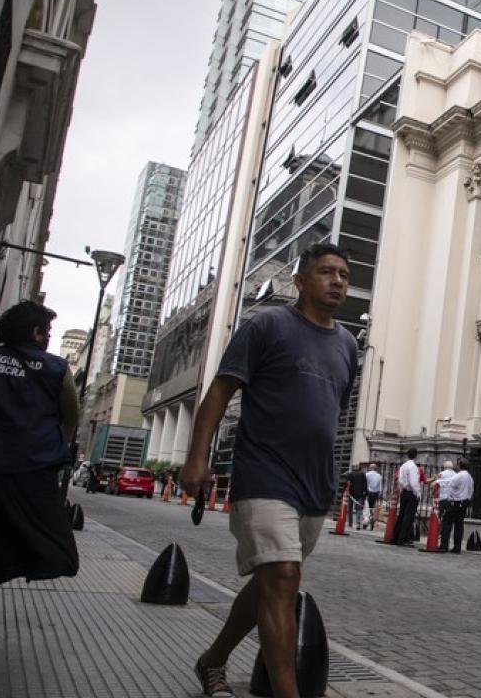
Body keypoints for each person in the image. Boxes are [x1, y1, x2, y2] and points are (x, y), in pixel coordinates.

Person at [180, 243, 359, 698]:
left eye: (343, 274)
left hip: (314, 483)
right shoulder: (267, 325)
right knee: (282, 576)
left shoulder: (347, 344)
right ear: (300, 281)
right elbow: (219, 393)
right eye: (326, 272)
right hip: (264, 472)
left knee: (272, 581)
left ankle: (213, 659)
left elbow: (331, 413)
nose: (337, 280)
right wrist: (197, 459)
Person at [0, 301, 79, 625]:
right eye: (47, 330)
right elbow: (71, 416)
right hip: (31, 471)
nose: (48, 336)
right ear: (35, 332)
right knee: (29, 540)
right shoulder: (56, 368)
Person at [435, 458, 473, 553]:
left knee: (446, 523)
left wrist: (437, 482)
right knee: (459, 525)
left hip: (455, 502)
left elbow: (450, 482)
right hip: (464, 503)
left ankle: (444, 545)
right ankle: (457, 547)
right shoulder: (469, 477)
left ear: (460, 465)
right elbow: (471, 491)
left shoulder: (460, 475)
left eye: (458, 464)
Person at [392, 449, 421, 546]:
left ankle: (395, 536)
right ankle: (403, 538)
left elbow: (400, 479)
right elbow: (413, 482)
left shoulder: (403, 465)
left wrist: (401, 488)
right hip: (411, 493)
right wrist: (417, 493)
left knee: (401, 515)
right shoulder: (413, 467)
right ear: (416, 456)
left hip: (404, 492)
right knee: (408, 517)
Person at [340, 464, 368, 531]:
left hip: (351, 493)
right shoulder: (362, 474)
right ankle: (358, 523)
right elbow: (365, 484)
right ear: (359, 468)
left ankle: (350, 523)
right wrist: (366, 493)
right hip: (360, 494)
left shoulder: (350, 474)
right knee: (359, 509)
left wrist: (343, 492)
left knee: (350, 508)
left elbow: (346, 484)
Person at [362, 463, 383, 530]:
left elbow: (365, 484)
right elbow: (380, 487)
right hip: (375, 494)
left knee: (366, 508)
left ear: (370, 468)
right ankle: (372, 520)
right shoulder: (379, 476)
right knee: (372, 508)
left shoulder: (367, 474)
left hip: (368, 493)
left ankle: (366, 522)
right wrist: (379, 494)